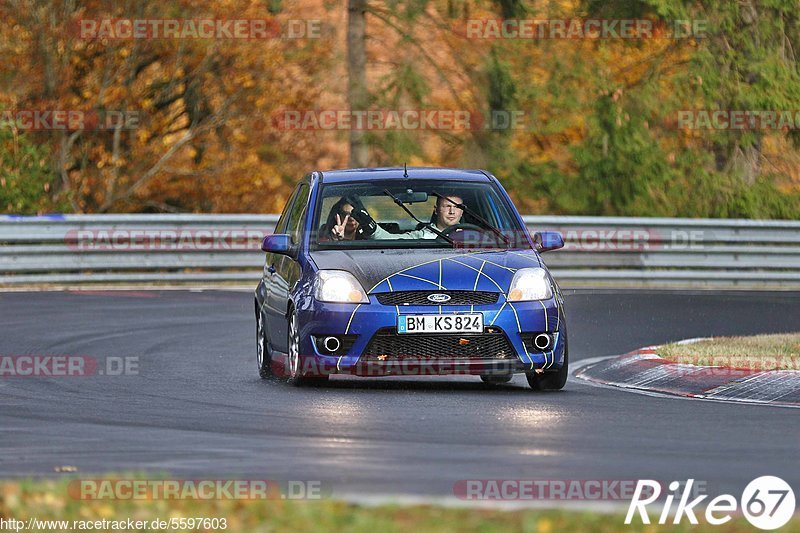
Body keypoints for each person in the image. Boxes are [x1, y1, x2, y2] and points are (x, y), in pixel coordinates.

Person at [329, 195, 464, 241]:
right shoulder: (422, 237)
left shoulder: (479, 239)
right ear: (436, 210)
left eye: (457, 207)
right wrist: (370, 225)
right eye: (447, 206)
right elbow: (389, 239)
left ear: (462, 212)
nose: (452, 211)